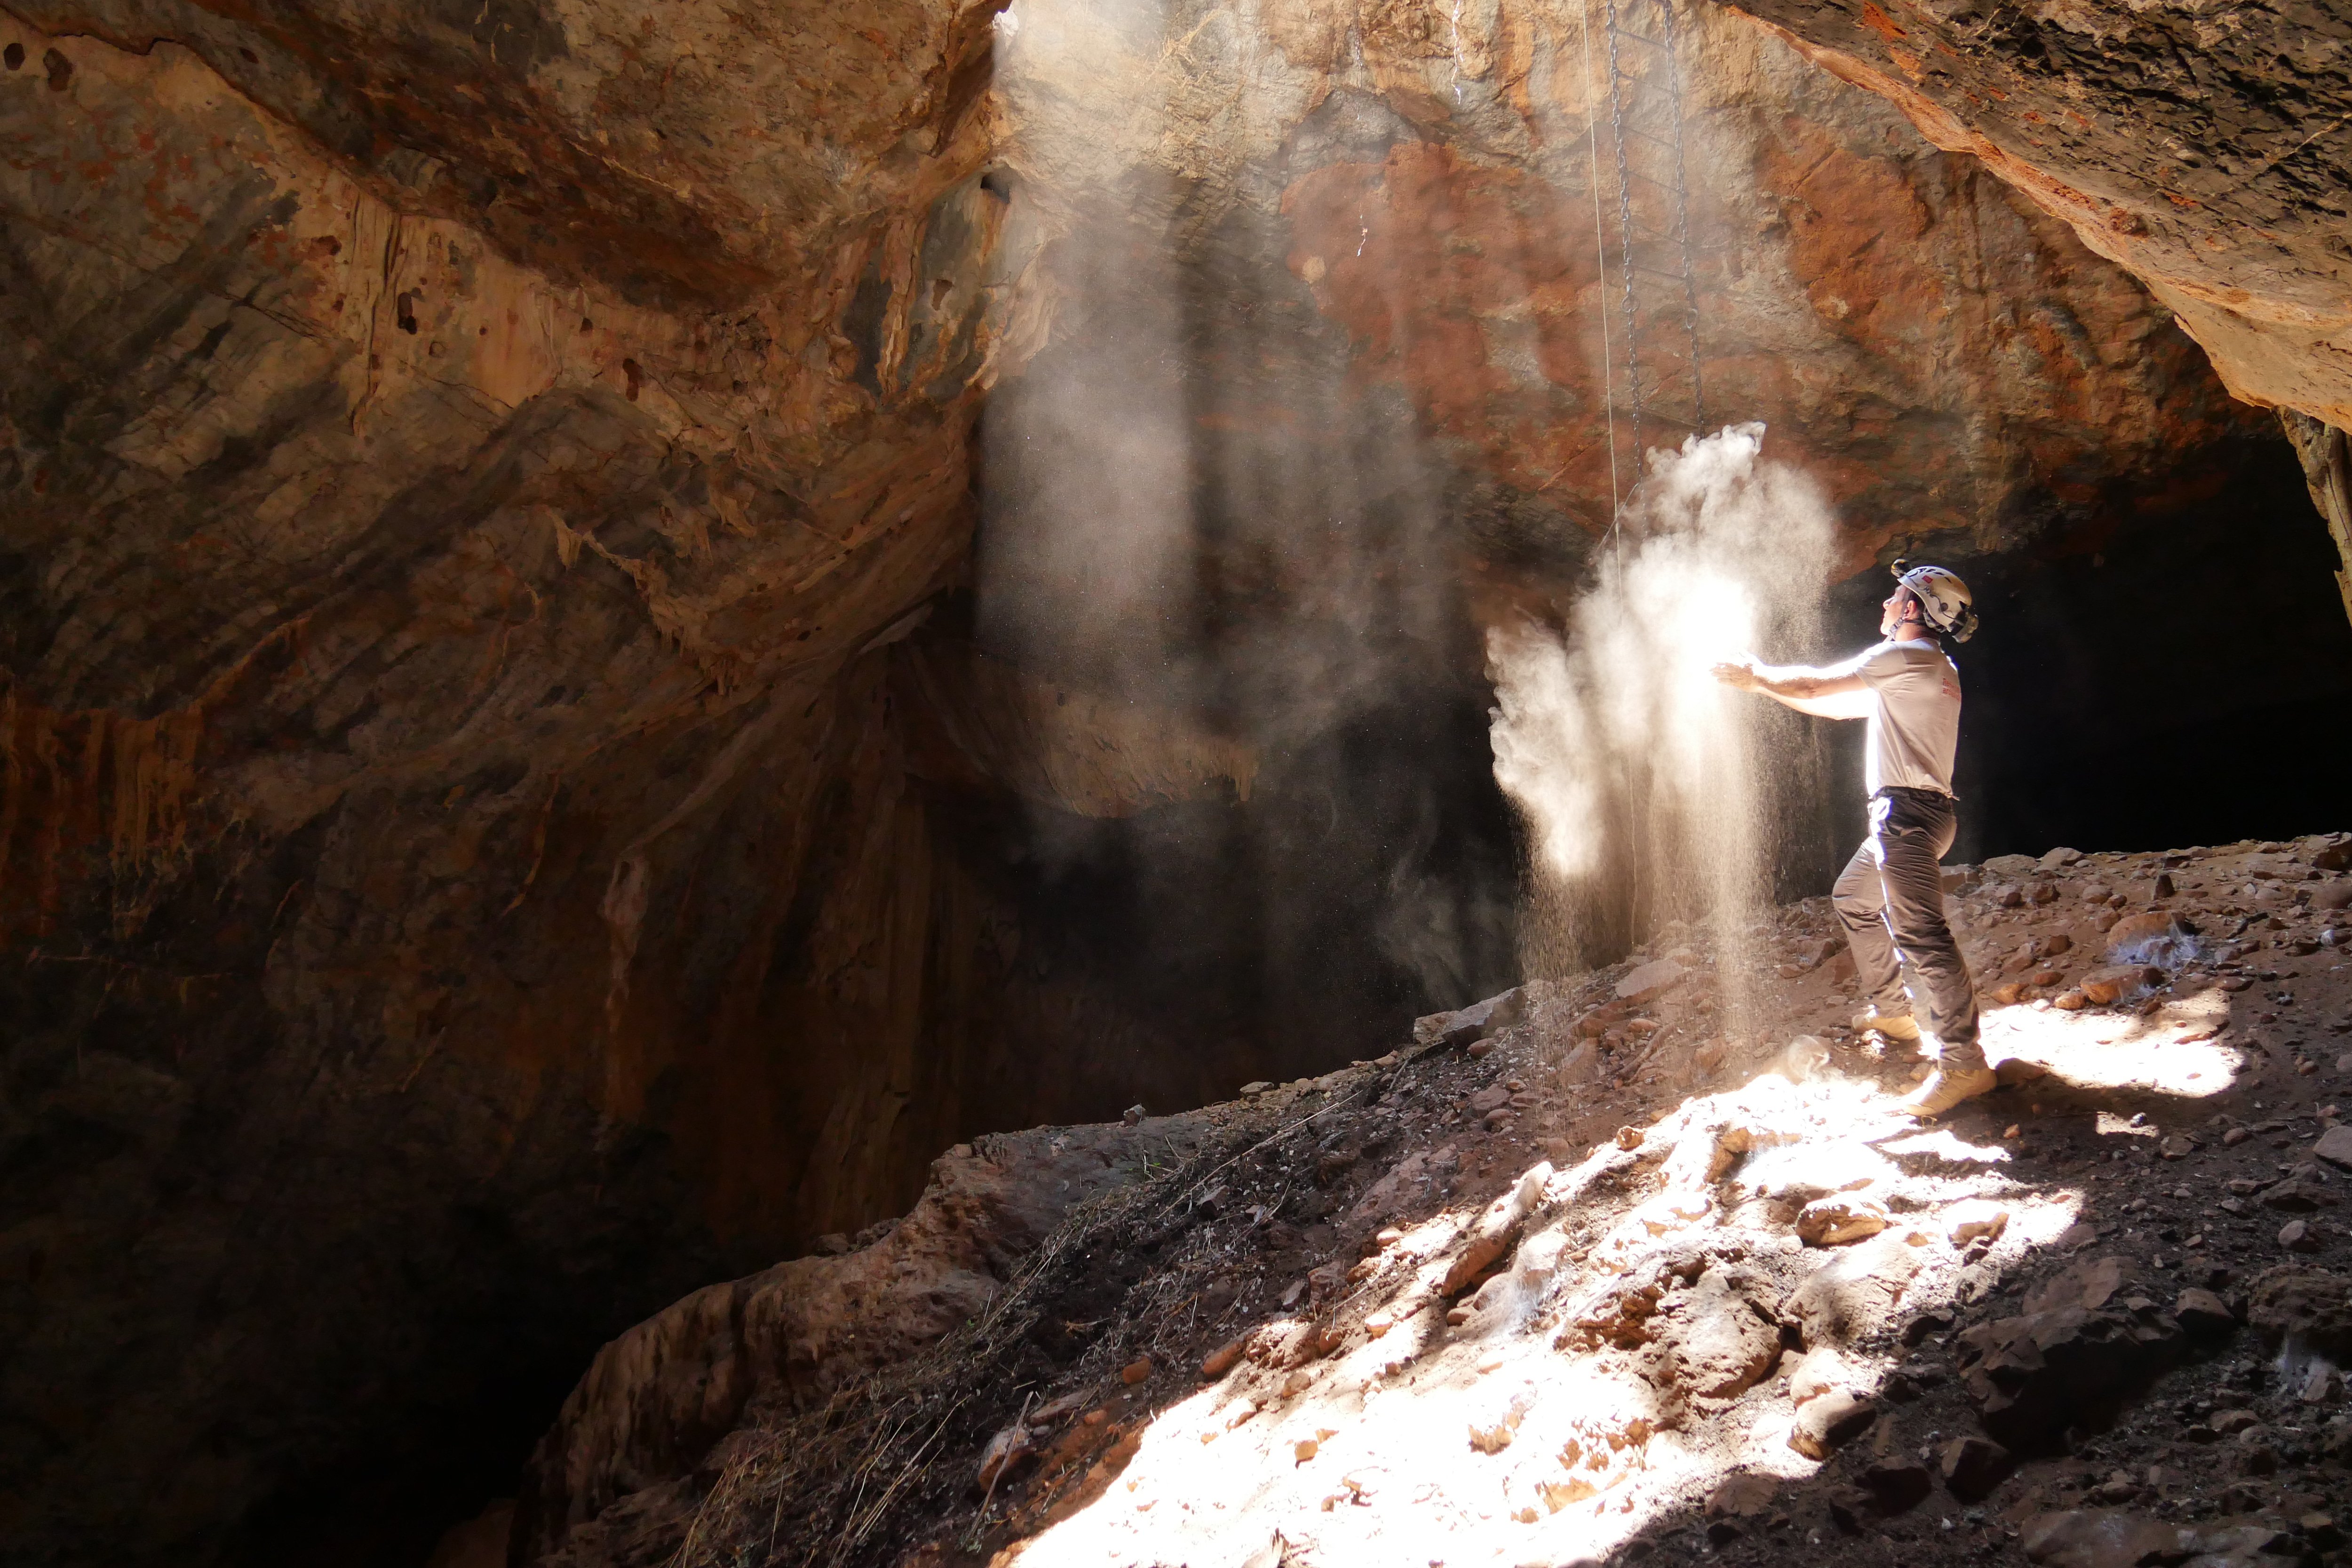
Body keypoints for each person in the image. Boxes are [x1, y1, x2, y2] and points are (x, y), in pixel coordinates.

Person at [1710, 560, 1990, 1118]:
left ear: (1913, 607)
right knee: (1853, 898)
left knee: (1922, 935)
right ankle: (1892, 1011)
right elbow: (1831, 704)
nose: (1884, 605)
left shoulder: (1903, 656)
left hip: (1905, 818)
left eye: (1894, 596)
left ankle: (1964, 1065)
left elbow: (1816, 683)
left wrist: (1757, 672)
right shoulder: (1931, 667)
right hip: (1919, 814)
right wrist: (1763, 686)